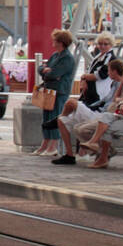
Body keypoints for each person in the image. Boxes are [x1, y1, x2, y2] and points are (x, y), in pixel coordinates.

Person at [52, 58, 123, 164]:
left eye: (109, 70)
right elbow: (104, 100)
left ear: (114, 71)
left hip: (102, 115)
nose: (108, 73)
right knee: (62, 121)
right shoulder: (114, 83)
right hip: (97, 110)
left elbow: (113, 102)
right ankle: (69, 155)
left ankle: (55, 120)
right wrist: (91, 105)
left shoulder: (121, 84)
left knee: (71, 103)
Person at [32, 29, 76, 157]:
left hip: (59, 91)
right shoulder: (55, 55)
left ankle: (53, 145)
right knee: (46, 117)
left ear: (61, 42)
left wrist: (48, 72)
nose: (53, 42)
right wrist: (46, 70)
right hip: (49, 90)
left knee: (55, 116)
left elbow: (55, 73)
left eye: (55, 40)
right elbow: (41, 68)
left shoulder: (67, 58)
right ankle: (45, 143)